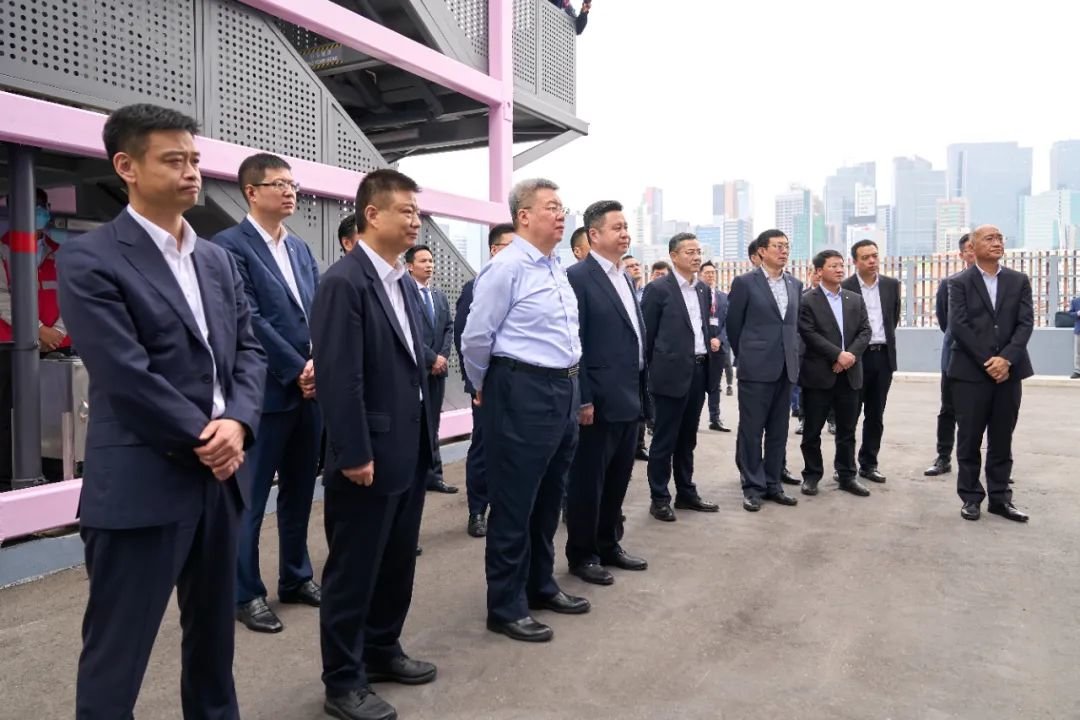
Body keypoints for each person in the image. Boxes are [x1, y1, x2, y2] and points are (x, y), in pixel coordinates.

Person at [57, 103, 266, 719]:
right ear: (126, 166)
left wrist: (239, 422)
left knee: (213, 647)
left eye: (194, 159)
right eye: (173, 160)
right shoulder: (91, 258)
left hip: (220, 482)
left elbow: (248, 352)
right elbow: (125, 375)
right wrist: (208, 436)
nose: (191, 172)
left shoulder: (216, 260)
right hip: (142, 484)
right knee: (117, 656)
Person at [311, 168, 439, 720]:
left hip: (408, 449)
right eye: (405, 211)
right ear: (372, 214)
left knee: (396, 562)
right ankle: (343, 680)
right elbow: (340, 377)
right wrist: (354, 451)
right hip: (367, 455)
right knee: (353, 571)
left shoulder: (402, 281)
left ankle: (382, 648)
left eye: (417, 212)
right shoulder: (344, 283)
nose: (415, 221)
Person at [462, 178, 589, 644]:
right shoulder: (506, 267)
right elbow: (476, 337)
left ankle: (540, 584)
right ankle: (506, 605)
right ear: (524, 216)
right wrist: (484, 385)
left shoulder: (556, 268)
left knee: (549, 496)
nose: (561, 215)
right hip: (521, 389)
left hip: (563, 388)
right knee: (515, 502)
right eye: (551, 207)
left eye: (562, 207)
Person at [212, 153, 322, 635]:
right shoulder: (228, 246)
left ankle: (295, 576)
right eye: (279, 184)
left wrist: (318, 363)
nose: (289, 191)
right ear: (251, 192)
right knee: (250, 497)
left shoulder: (298, 248)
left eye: (292, 184)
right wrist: (296, 367)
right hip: (264, 393)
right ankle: (245, 592)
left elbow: (316, 310)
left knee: (300, 491)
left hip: (310, 392)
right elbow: (249, 316)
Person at [564, 200, 649, 586]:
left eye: (626, 226)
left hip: (629, 396)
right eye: (617, 227)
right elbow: (574, 342)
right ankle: (583, 554)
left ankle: (609, 543)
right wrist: (582, 397)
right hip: (596, 401)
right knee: (588, 482)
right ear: (594, 234)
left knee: (618, 479)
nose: (625, 233)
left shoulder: (624, 276)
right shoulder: (578, 278)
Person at [947, 225, 1032, 523]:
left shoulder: (1018, 280)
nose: (997, 242)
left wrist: (1006, 359)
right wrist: (990, 361)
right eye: (989, 238)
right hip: (971, 373)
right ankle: (971, 497)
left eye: (999, 238)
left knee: (1002, 438)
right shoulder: (959, 283)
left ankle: (1000, 498)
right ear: (972, 246)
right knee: (969, 438)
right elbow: (958, 325)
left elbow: (1025, 323)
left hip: (1009, 373)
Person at [641, 232, 721, 522]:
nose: (696, 257)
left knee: (688, 439)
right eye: (689, 252)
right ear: (674, 256)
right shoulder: (658, 289)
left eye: (698, 251)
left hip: (698, 371)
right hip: (669, 375)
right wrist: (652, 375)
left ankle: (686, 492)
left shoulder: (702, 289)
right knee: (664, 440)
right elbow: (647, 337)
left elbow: (703, 328)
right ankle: (659, 497)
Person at [0, 187, 74, 486]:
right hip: (11, 346)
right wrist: (37, 329)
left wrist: (58, 332)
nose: (38, 211)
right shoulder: (2, 250)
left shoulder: (62, 252)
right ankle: (7, 478)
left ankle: (56, 476)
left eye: (42, 205)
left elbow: (73, 295)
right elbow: (3, 298)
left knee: (57, 414)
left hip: (57, 346)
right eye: (32, 205)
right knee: (9, 416)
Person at [727, 229, 803, 512]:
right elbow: (734, 325)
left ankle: (774, 484)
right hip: (755, 368)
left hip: (786, 368)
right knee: (751, 430)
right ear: (761, 251)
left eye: (786, 246)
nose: (783, 251)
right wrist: (749, 354)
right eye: (777, 246)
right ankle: (752, 487)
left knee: (778, 431)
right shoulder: (745, 283)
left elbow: (794, 325)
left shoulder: (795, 284)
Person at [455, 223, 514, 538]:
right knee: (483, 446)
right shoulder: (476, 286)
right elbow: (465, 338)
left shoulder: (525, 285)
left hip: (519, 385)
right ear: (494, 249)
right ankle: (477, 510)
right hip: (486, 386)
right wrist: (474, 382)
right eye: (511, 246)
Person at [797, 250, 872, 498]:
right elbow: (808, 333)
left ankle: (847, 475)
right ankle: (811, 475)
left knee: (847, 431)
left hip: (849, 375)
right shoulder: (807, 300)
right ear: (819, 271)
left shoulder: (854, 299)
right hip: (819, 375)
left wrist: (849, 356)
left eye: (841, 265)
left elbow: (865, 331)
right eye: (833, 266)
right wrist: (837, 355)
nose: (840, 270)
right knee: (812, 431)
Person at [841, 239, 900, 484]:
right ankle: (845, 466)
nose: (872, 261)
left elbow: (893, 317)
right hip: (856, 357)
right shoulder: (845, 287)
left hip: (883, 357)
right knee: (850, 415)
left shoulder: (891, 285)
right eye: (865, 257)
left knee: (876, 415)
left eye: (875, 255)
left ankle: (869, 463)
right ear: (855, 261)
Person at [406, 244, 458, 495]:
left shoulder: (438, 295)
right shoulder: (405, 295)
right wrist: (431, 358)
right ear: (409, 266)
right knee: (413, 424)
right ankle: (412, 476)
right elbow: (410, 332)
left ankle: (434, 475)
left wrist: (443, 357)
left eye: (431, 260)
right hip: (416, 371)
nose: (429, 265)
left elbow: (448, 327)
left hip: (438, 371)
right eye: (423, 261)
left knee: (433, 424)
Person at [924, 233, 975, 476]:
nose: (975, 252)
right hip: (956, 355)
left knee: (990, 413)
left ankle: (995, 463)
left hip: (991, 359)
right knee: (948, 409)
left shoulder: (1002, 283)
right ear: (962, 254)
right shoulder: (950, 283)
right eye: (970, 248)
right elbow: (946, 321)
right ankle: (943, 457)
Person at [698, 261, 731, 432]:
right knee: (696, 386)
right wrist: (708, 340)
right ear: (700, 275)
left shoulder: (723, 297)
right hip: (700, 348)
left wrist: (719, 339)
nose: (710, 275)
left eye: (713, 272)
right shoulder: (696, 295)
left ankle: (715, 418)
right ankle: (693, 419)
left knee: (715, 384)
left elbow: (728, 322)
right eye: (707, 272)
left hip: (719, 348)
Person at [1069, 293, 1080, 379]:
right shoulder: (1075, 301)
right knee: (1078, 352)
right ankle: (1077, 371)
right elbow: (1070, 314)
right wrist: (1077, 313)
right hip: (1079, 330)